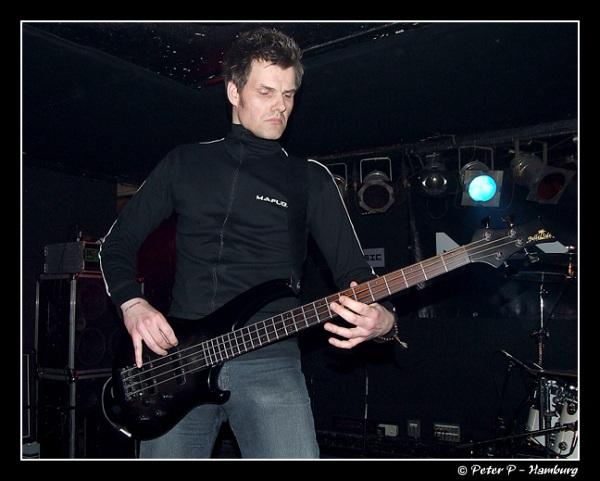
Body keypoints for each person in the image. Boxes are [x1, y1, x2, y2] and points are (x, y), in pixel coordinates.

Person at [99, 27, 398, 459]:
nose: (281, 106)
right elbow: (116, 244)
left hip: (270, 362)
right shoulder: (185, 162)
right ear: (233, 92)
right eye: (266, 92)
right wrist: (133, 304)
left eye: (289, 94)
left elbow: (357, 275)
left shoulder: (310, 180)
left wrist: (385, 322)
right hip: (177, 363)